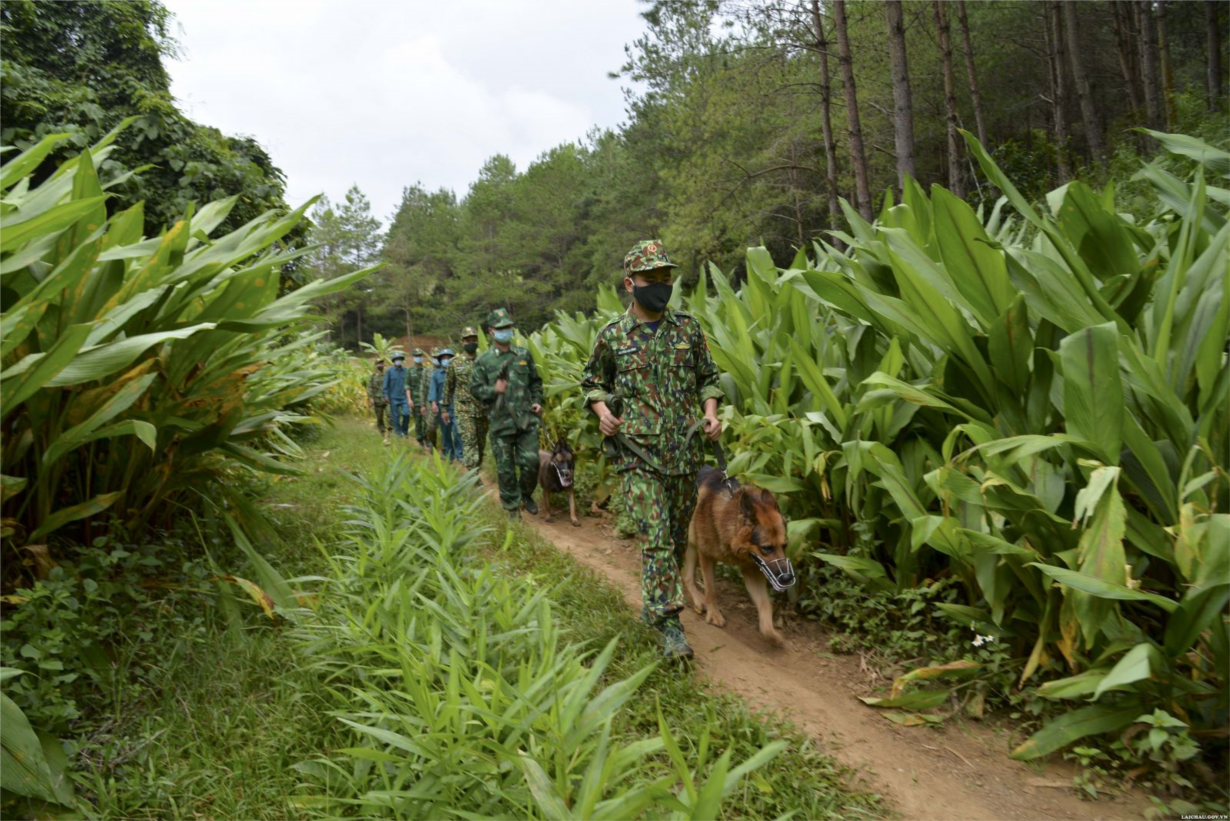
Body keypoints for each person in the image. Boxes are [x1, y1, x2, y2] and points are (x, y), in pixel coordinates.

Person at [581, 239, 723, 661]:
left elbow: (708, 377)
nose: (661, 285)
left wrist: (711, 414)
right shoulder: (613, 336)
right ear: (630, 283)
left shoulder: (688, 329)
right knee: (657, 537)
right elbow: (591, 383)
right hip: (637, 455)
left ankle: (653, 605)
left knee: (677, 538)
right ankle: (670, 627)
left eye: (666, 278)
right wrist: (603, 412)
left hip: (684, 454)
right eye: (652, 279)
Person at [470, 308, 543, 519]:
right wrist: (494, 390)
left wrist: (537, 401)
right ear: (492, 332)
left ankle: (526, 494)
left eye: (508, 327)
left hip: (526, 421)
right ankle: (512, 507)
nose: (506, 331)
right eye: (501, 328)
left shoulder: (523, 355)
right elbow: (475, 390)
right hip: (500, 423)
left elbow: (535, 383)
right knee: (506, 469)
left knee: (531, 463)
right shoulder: (483, 361)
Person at [445, 326, 487, 472]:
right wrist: (444, 408)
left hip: (482, 410)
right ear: (462, 342)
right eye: (468, 340)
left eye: (473, 339)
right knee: (470, 442)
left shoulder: (484, 361)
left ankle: (476, 469)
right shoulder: (454, 363)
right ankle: (473, 476)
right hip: (463, 409)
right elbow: (448, 387)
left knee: (481, 444)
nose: (471, 342)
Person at [429, 348, 463, 462]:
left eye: (449, 358)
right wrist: (433, 403)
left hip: (456, 406)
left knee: (457, 431)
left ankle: (460, 454)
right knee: (446, 432)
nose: (446, 360)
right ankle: (449, 454)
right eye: (444, 358)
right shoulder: (436, 375)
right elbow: (432, 390)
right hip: (442, 408)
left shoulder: (458, 372)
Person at [382, 353, 413, 438]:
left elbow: (409, 384)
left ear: (402, 361)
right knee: (395, 416)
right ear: (394, 361)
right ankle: (398, 433)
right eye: (396, 359)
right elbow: (385, 384)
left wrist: (410, 397)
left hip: (404, 397)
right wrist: (385, 395)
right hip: (393, 397)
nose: (398, 361)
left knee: (406, 414)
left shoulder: (406, 371)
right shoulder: (389, 372)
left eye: (399, 359)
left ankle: (404, 430)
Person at [409, 347, 430, 448]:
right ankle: (419, 439)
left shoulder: (426, 370)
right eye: (416, 356)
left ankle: (427, 438)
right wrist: (409, 399)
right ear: (413, 357)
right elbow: (407, 386)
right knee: (418, 421)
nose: (418, 358)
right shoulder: (410, 371)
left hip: (426, 400)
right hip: (415, 400)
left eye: (420, 356)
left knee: (427, 421)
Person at [366, 358, 390, 445]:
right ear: (376, 365)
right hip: (377, 400)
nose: (380, 365)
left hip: (387, 400)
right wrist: (371, 398)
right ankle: (382, 432)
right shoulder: (373, 376)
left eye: (382, 363)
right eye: (379, 363)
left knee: (390, 415)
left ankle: (390, 431)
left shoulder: (387, 375)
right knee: (379, 418)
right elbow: (369, 387)